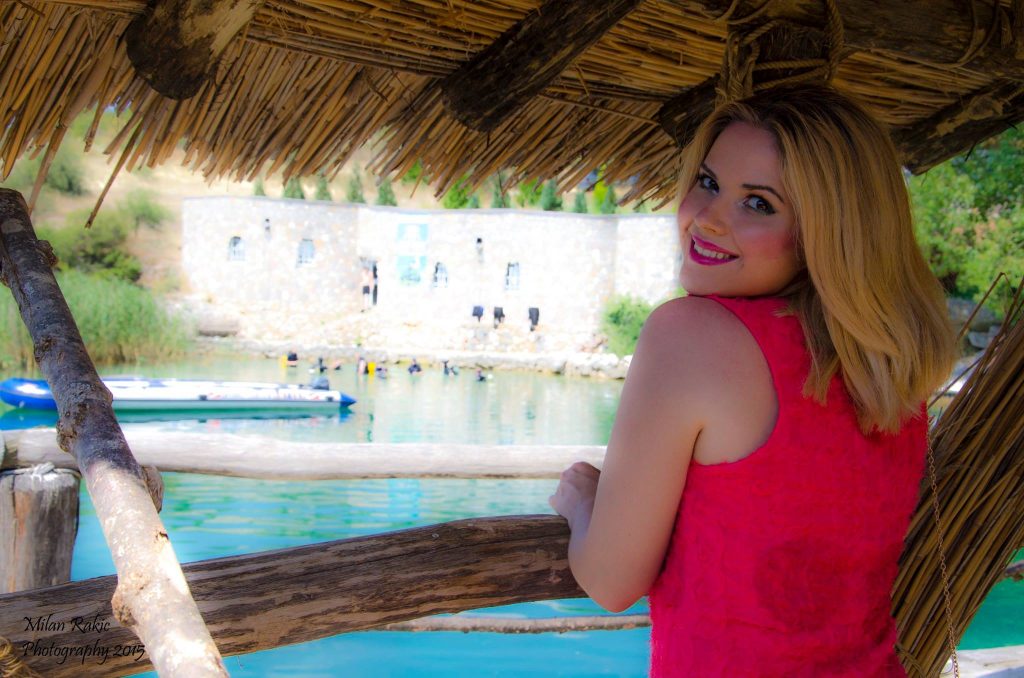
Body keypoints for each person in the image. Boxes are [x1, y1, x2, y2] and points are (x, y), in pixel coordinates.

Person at [547, 84, 956, 677]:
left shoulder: (688, 337)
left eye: (758, 204)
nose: (708, 218)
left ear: (826, 231)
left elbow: (610, 580)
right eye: (708, 182)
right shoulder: (888, 367)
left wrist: (584, 505)